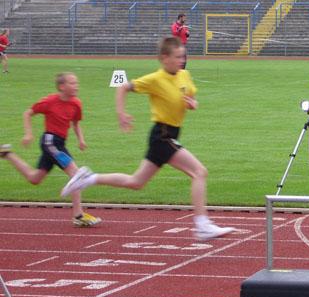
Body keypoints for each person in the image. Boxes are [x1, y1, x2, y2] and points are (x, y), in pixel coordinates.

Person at [60, 37, 235, 241]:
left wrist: (192, 104)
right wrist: (121, 113)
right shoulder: (155, 79)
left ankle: (88, 178)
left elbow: (191, 97)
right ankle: (202, 225)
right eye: (178, 57)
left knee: (136, 182)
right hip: (162, 136)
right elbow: (122, 87)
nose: (182, 61)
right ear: (164, 58)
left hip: (170, 135)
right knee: (199, 172)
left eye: (183, 57)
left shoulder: (184, 75)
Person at [0, 72, 101, 227]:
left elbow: (75, 123)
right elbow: (28, 113)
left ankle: (7, 154)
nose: (76, 86)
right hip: (50, 142)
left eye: (77, 83)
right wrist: (28, 134)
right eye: (72, 83)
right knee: (76, 175)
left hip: (60, 144)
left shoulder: (76, 103)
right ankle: (78, 215)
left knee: (35, 178)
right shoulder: (49, 101)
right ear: (62, 87)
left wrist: (81, 139)